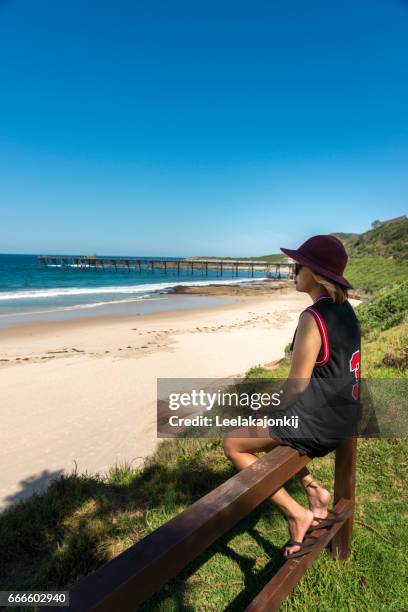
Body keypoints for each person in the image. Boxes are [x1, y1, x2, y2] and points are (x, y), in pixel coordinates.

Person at [222, 235, 361, 559]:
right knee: (273, 426)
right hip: (347, 416)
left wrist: (265, 411)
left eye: (299, 265)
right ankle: (315, 492)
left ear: (314, 272)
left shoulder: (312, 318)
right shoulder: (347, 313)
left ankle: (295, 514)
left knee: (233, 443)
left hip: (321, 424)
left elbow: (296, 387)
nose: (294, 270)